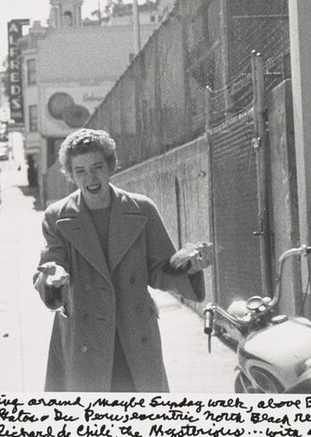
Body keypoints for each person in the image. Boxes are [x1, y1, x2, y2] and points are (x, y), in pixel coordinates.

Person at [33, 128, 212, 392]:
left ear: (110, 166)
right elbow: (52, 264)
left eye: (97, 167)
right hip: (85, 337)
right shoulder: (57, 217)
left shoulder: (142, 209)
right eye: (80, 171)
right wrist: (53, 277)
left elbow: (160, 269)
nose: (90, 178)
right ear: (71, 175)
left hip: (133, 336)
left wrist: (190, 265)